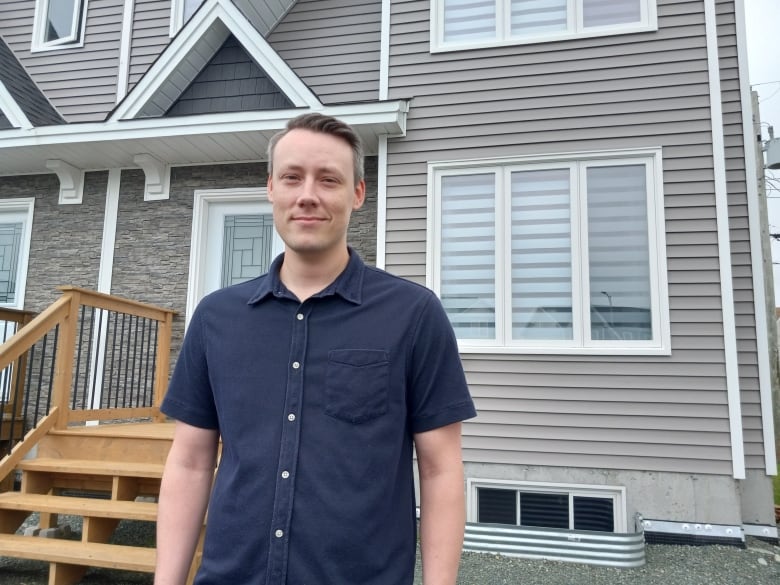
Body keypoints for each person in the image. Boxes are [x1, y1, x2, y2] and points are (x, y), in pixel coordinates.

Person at [154, 113, 476, 585]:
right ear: (271, 189)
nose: (308, 195)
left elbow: (441, 468)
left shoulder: (413, 315)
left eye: (329, 179)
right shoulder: (216, 317)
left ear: (357, 194)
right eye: (292, 177)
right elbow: (190, 461)